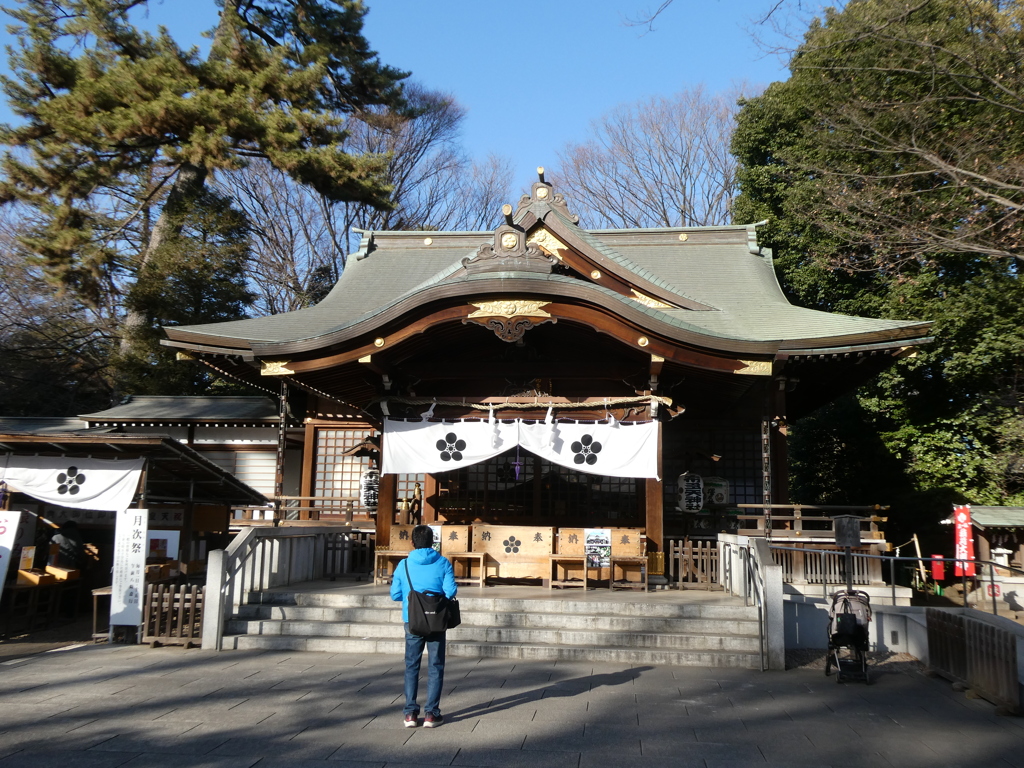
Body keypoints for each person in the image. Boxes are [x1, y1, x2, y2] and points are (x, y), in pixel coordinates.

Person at [390, 525, 457, 728]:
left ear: (412, 542)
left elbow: (395, 594)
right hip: (436, 620)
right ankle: (431, 714)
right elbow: (451, 591)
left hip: (412, 620)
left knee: (412, 666)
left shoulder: (404, 565)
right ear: (432, 542)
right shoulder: (443, 562)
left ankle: (410, 713)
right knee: (436, 666)